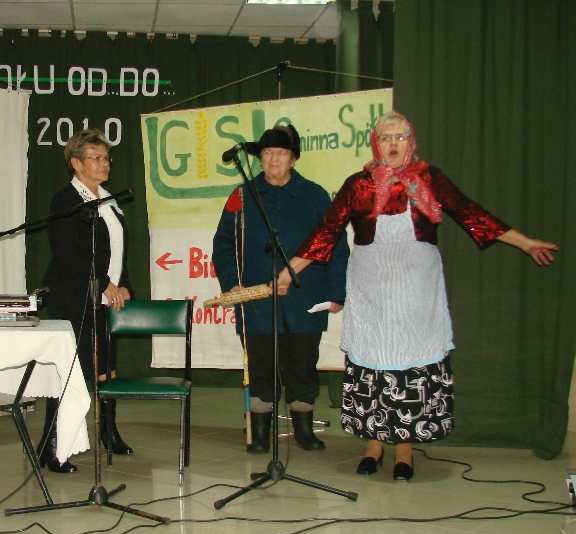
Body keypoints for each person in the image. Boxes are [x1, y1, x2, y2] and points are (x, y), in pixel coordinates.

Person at [276, 111, 558, 481]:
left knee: (409, 370)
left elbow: (470, 213)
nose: (393, 144)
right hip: (372, 289)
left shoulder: (429, 179)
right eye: (386, 137)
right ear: (376, 144)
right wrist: (290, 270)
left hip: (416, 292)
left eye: (400, 137)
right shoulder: (357, 185)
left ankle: (405, 451)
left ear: (410, 141)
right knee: (374, 365)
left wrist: (524, 243)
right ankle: (373, 446)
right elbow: (326, 231)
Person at [212, 124, 350, 454]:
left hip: (306, 298)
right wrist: (233, 284)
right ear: (259, 159)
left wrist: (336, 291)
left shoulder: (315, 195)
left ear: (293, 159)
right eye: (267, 153)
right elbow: (223, 244)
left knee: (303, 365)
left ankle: (304, 429)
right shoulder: (241, 196)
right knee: (261, 367)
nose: (274, 159)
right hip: (256, 301)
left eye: (281, 153)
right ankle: (260, 432)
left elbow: (336, 244)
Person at [40, 129, 134, 473]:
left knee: (106, 370)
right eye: (95, 158)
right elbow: (69, 254)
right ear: (76, 163)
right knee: (71, 373)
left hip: (104, 298)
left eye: (106, 158)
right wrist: (106, 283)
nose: (103, 163)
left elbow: (116, 251)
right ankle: (52, 447)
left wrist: (122, 285)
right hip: (74, 299)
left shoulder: (108, 199)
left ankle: (108, 432)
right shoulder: (66, 201)